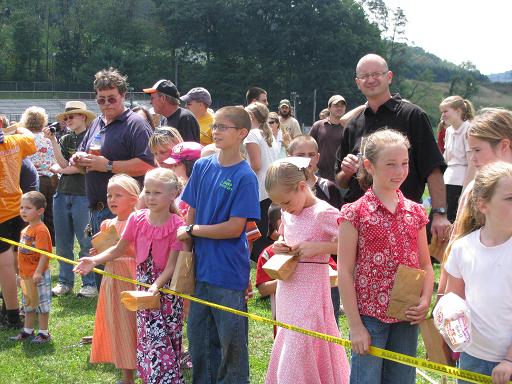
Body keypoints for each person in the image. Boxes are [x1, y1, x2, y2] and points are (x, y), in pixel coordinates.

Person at [338, 129, 434, 384]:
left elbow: (425, 263)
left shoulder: (416, 211)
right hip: (369, 316)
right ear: (369, 166)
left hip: (407, 313)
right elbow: (344, 271)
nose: (399, 171)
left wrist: (425, 300)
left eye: (404, 163)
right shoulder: (355, 213)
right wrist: (356, 326)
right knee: (365, 379)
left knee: (402, 379)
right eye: (390, 164)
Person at [75, 168, 186, 384]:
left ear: (173, 194)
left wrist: (156, 286)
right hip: (142, 287)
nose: (151, 198)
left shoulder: (178, 225)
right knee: (147, 341)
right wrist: (94, 260)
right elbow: (117, 249)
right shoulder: (137, 219)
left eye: (157, 193)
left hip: (166, 289)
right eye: (148, 191)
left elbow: (172, 265)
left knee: (166, 341)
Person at [177, 106, 260, 383]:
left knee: (231, 348)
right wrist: (187, 251)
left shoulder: (245, 176)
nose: (216, 131)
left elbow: (234, 228)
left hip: (227, 273)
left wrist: (193, 230)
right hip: (201, 269)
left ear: (242, 133)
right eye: (215, 126)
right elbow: (192, 208)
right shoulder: (202, 166)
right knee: (200, 343)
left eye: (224, 127)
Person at [335, 54, 450, 241]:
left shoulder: (412, 115)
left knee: (405, 271)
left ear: (389, 76)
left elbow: (433, 168)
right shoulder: (353, 124)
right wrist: (346, 172)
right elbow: (340, 181)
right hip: (360, 224)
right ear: (357, 82)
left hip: (402, 221)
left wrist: (439, 213)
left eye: (376, 74)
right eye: (364, 76)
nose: (370, 80)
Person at [264, 157, 349, 384]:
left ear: (302, 187)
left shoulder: (324, 213)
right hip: (288, 288)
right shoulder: (287, 212)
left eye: (286, 202)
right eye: (279, 204)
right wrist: (279, 244)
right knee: (290, 341)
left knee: (302, 345)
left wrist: (322, 247)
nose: (284, 208)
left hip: (312, 291)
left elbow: (355, 244)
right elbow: (285, 234)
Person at [72, 67, 154, 291]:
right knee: (103, 273)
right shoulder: (97, 123)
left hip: (124, 212)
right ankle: (109, 318)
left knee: (122, 275)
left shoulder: (136, 124)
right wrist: (79, 159)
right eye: (101, 100)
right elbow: (85, 155)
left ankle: (125, 323)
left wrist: (108, 165)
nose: (106, 104)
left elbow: (148, 164)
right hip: (97, 209)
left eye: (111, 99)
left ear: (123, 96)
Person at [444, 161, 512, 384]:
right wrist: (453, 332)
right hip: (473, 357)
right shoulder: (462, 248)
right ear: (483, 205)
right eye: (509, 198)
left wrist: (509, 360)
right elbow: (453, 300)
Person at [438, 108, 512, 296]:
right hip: (477, 295)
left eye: (478, 150)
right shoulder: (473, 190)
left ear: (504, 146)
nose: (473, 158)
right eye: (471, 151)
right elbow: (456, 243)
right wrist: (443, 296)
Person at [86, 175, 139, 384]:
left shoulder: (140, 220)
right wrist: (97, 251)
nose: (112, 199)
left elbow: (140, 251)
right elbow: (105, 251)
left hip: (132, 275)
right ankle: (127, 377)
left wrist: (117, 249)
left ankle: (147, 370)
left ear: (134, 198)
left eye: (118, 195)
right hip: (112, 278)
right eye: (109, 195)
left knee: (136, 324)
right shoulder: (107, 223)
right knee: (119, 325)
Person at [43, 101, 98, 297]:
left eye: (71, 116)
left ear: (83, 116)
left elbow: (80, 168)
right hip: (62, 193)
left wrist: (61, 169)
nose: (68, 120)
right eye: (66, 117)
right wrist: (54, 143)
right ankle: (65, 282)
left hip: (83, 194)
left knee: (85, 242)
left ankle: (89, 283)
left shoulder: (92, 137)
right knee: (63, 242)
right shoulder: (65, 139)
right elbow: (63, 163)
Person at [0, 125, 36, 329]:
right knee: (15, 262)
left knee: (5, 266)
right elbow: (30, 137)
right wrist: (18, 127)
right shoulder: (15, 142)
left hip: (2, 214)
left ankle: (12, 315)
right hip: (17, 209)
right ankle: (11, 308)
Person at [10, 191, 52, 344]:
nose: (23, 211)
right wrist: (19, 275)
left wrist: (39, 272)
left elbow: (45, 253)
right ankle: (27, 330)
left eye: (28, 208)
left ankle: (44, 333)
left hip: (38, 275)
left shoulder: (40, 230)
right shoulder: (25, 230)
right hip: (26, 275)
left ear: (40, 211)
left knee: (42, 305)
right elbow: (22, 256)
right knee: (28, 303)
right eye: (21, 207)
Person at [244, 102, 280, 262]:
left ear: (251, 116)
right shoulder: (269, 134)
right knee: (266, 231)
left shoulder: (251, 134)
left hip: (257, 190)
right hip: (270, 188)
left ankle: (262, 263)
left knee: (257, 234)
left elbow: (256, 165)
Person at [20, 106, 56, 243]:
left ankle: (33, 239)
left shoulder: (24, 139)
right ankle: (51, 240)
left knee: (33, 214)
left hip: (33, 181)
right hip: (51, 179)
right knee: (49, 214)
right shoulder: (49, 139)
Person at [310, 95, 363, 181]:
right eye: (336, 105)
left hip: (343, 176)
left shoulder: (351, 128)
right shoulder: (318, 126)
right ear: (329, 108)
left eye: (342, 105)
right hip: (320, 174)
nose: (339, 108)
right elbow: (309, 146)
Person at [439, 95, 475, 222]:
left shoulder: (469, 129)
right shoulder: (448, 131)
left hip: (461, 182)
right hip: (447, 180)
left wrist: (465, 191)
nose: (443, 115)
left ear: (458, 111)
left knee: (453, 220)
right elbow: (446, 159)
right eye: (442, 112)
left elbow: (472, 163)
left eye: (445, 111)